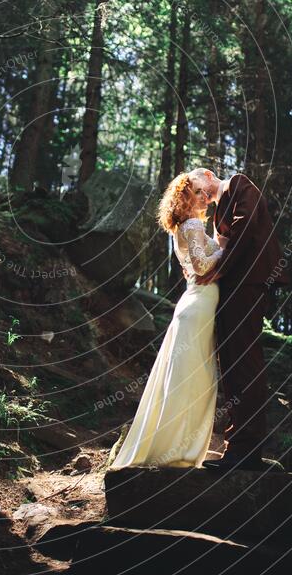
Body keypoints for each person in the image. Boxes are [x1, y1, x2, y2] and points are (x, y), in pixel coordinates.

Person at [111, 172, 223, 470]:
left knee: (182, 379)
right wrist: (229, 247)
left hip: (192, 304)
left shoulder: (180, 229)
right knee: (195, 380)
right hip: (199, 304)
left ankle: (170, 449)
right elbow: (201, 266)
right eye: (196, 193)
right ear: (185, 198)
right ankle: (177, 454)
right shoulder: (193, 224)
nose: (202, 198)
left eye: (203, 193)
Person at [188, 168, 286, 472]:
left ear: (208, 174)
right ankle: (237, 447)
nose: (199, 197)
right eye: (194, 194)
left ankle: (247, 451)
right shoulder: (219, 213)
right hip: (233, 287)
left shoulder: (238, 183)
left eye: (197, 188)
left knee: (243, 363)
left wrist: (218, 270)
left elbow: (245, 230)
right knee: (230, 364)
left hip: (248, 283)